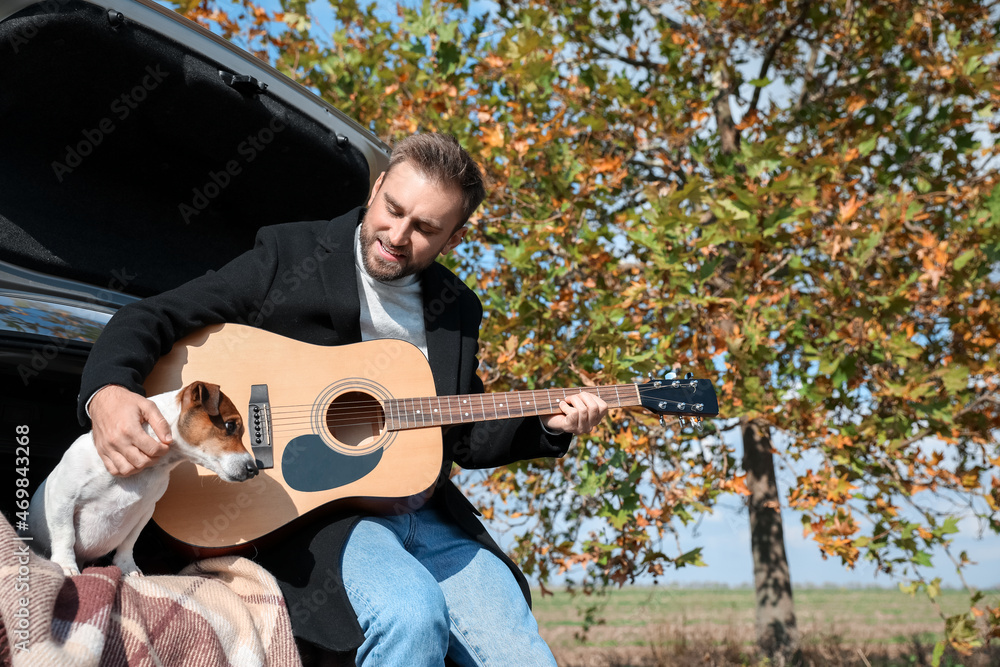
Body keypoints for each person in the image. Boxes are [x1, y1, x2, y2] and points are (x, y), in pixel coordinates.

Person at [77, 133, 608, 665]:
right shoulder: (291, 255)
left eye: (424, 228)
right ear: (376, 187)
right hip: (319, 517)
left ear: (454, 236)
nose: (397, 235)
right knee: (411, 613)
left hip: (428, 514)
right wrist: (108, 392)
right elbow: (152, 317)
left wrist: (548, 426)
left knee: (522, 654)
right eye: (392, 209)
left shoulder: (457, 307)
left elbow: (464, 431)